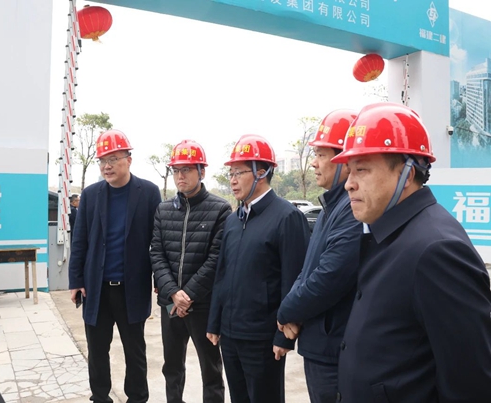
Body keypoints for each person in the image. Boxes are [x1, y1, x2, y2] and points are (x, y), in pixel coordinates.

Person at [329, 103, 491, 402]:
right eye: (349, 171)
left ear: (407, 173)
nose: (349, 184)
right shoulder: (389, 233)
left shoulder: (437, 250)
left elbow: (470, 383)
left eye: (361, 169)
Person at [206, 134, 311, 403]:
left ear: (261, 173)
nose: (232, 180)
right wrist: (215, 322)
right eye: (230, 173)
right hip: (231, 335)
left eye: (238, 173)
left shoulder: (287, 217)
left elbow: (294, 280)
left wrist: (283, 336)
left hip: (262, 338)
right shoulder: (233, 220)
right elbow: (222, 275)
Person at [68, 129, 162, 403]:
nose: (106, 166)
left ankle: (137, 398)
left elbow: (158, 243)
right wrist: (76, 281)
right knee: (97, 351)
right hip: (96, 289)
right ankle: (100, 397)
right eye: (102, 161)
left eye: (113, 159)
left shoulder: (148, 193)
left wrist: (160, 281)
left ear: (128, 160)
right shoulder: (91, 195)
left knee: (135, 351)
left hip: (132, 288)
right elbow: (80, 240)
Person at [276, 110, 362, 403]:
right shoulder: (330, 207)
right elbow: (307, 270)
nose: (313, 162)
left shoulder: (352, 209)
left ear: (345, 159)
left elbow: (329, 276)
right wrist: (292, 310)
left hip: (334, 347)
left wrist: (286, 312)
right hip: (318, 342)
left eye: (321, 154)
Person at [151, 139, 232, 403]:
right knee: (172, 366)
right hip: (170, 303)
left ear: (202, 172)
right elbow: (157, 254)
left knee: (211, 368)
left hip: (203, 304)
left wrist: (188, 295)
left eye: (186, 169)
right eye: (176, 170)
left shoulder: (220, 209)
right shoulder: (163, 210)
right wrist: (174, 293)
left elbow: (216, 258)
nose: (180, 176)